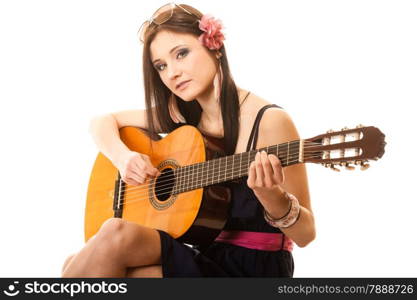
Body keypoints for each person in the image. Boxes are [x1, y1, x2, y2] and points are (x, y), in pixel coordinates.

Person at [61, 3, 315, 278]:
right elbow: (102, 122)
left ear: (214, 46)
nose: (172, 73)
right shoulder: (182, 115)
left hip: (252, 269)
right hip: (203, 253)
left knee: (108, 246)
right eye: (161, 66)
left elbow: (306, 234)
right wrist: (124, 158)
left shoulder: (269, 121)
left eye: (181, 54)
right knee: (85, 255)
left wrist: (271, 197)